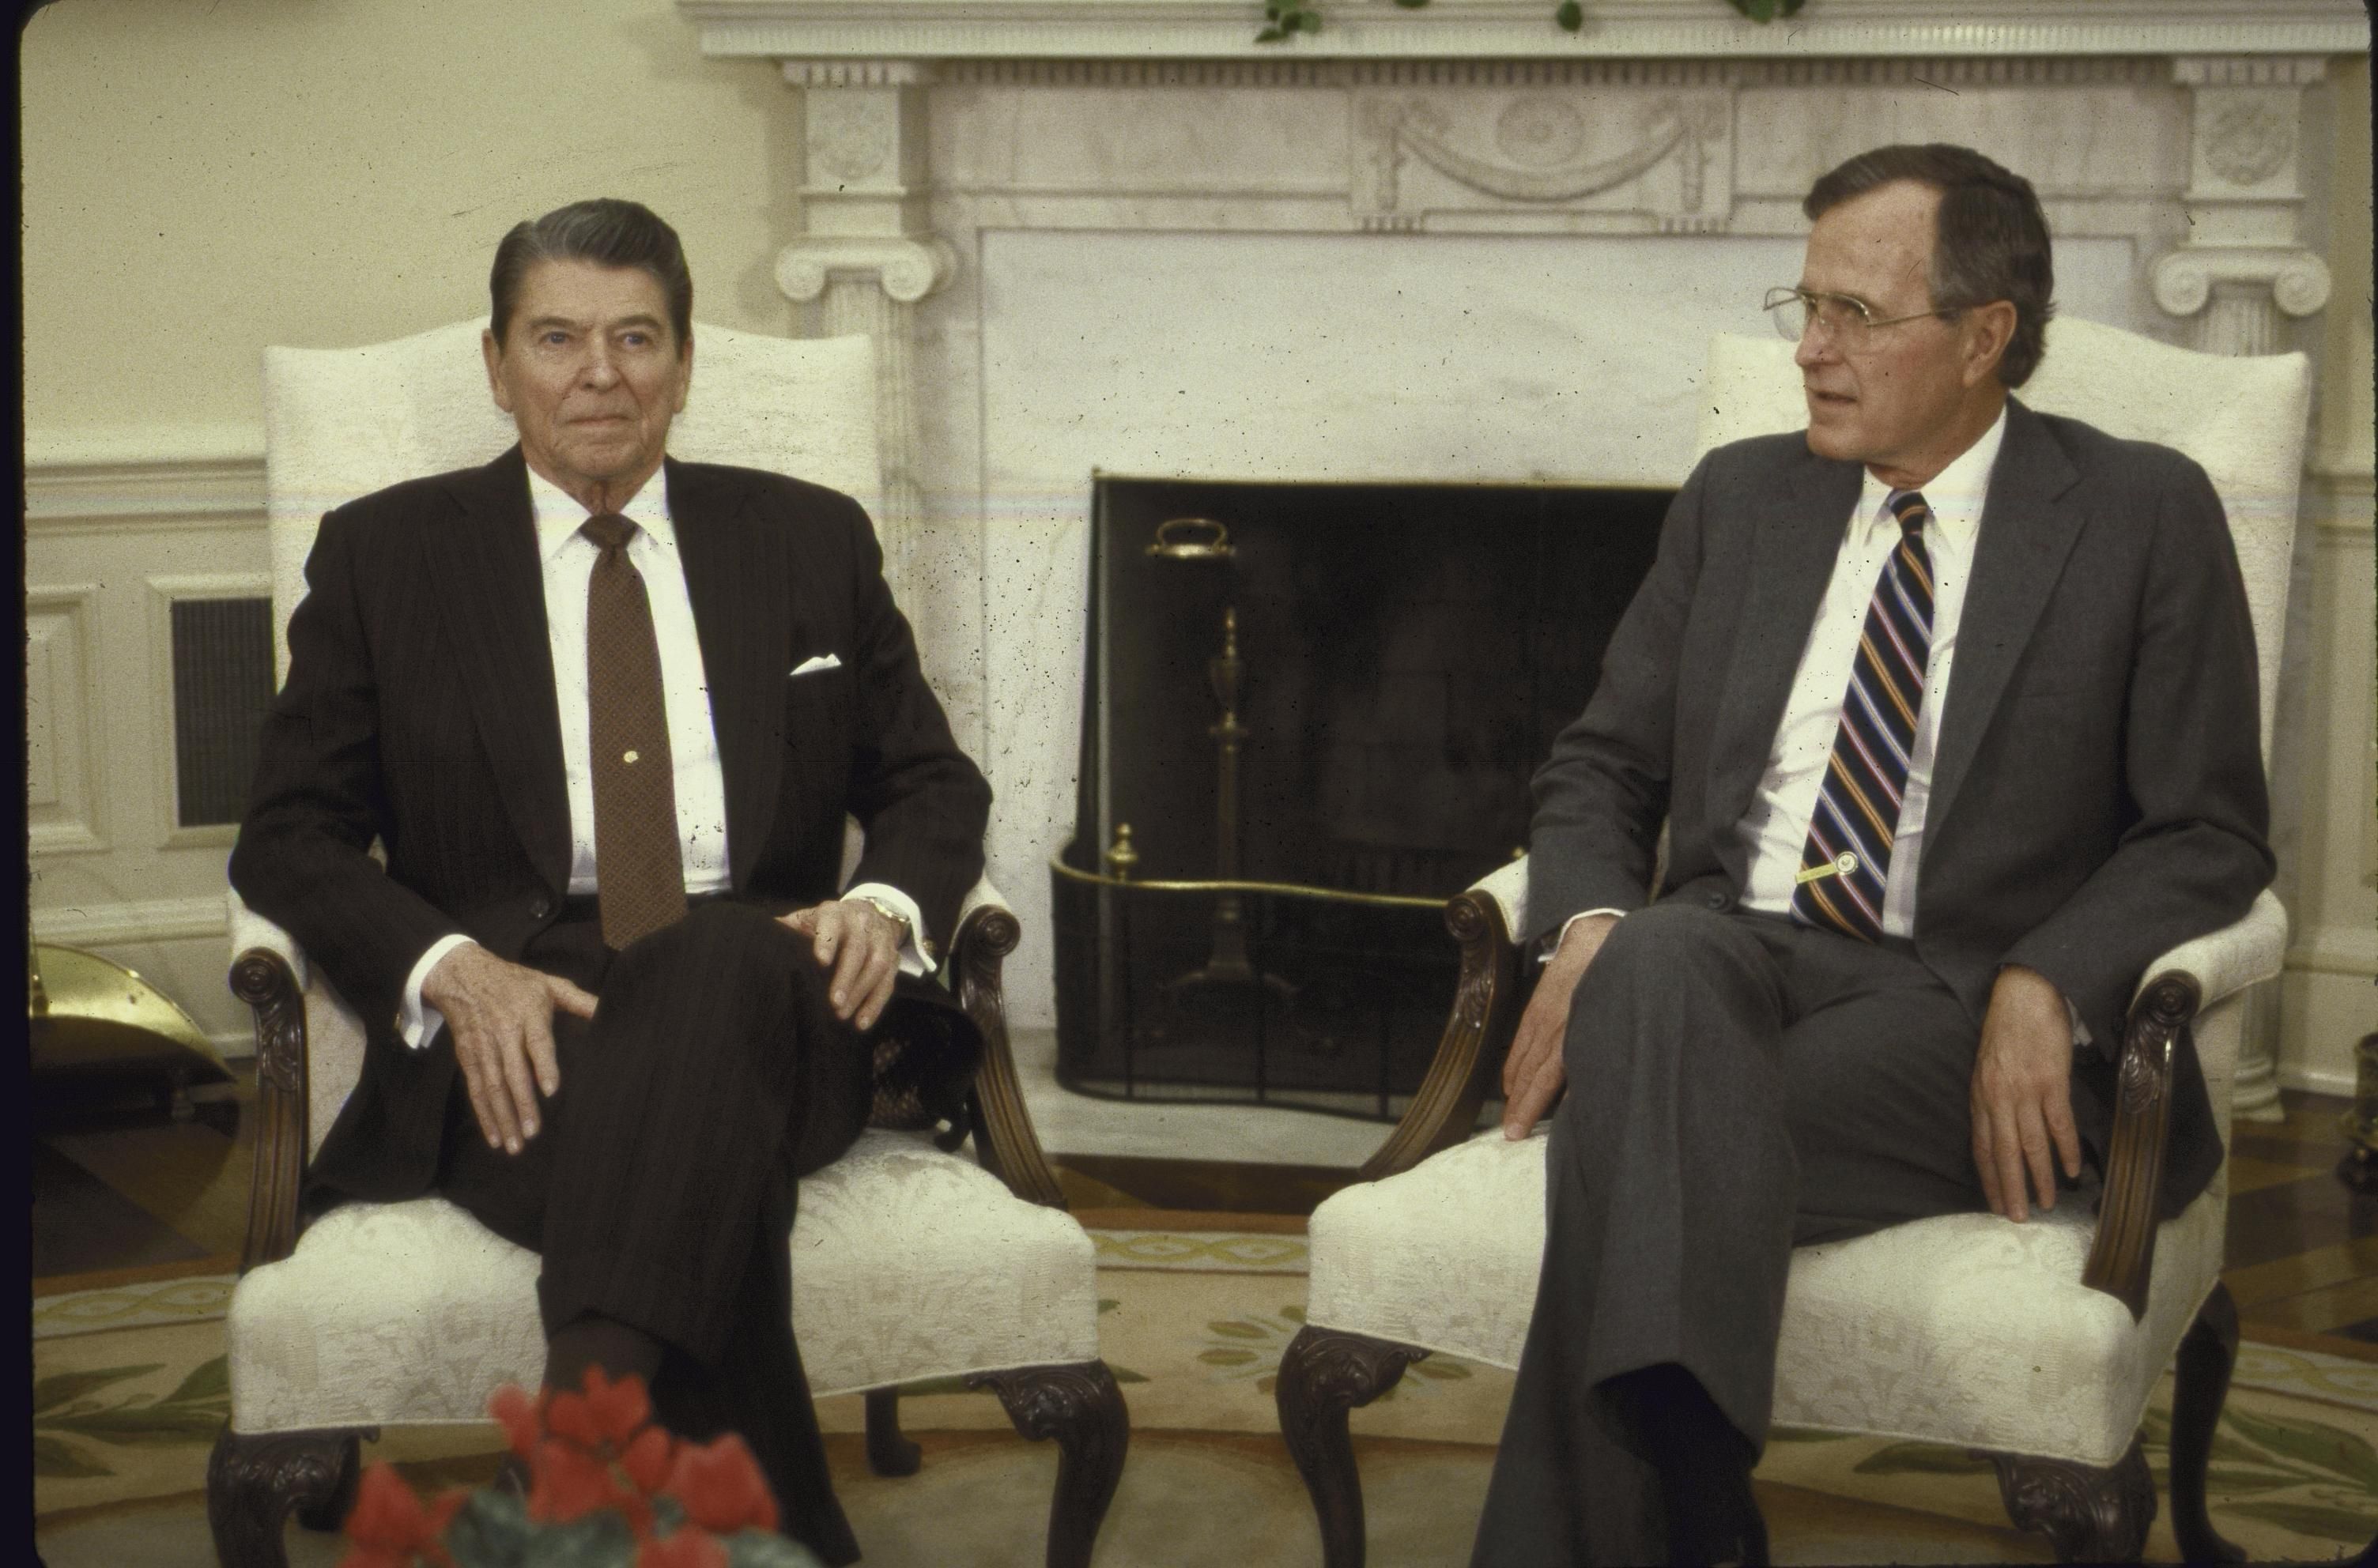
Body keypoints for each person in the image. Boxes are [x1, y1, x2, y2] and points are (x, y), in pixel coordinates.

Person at [1470, 145, 2272, 1566]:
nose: (1812, 350)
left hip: (1949, 999)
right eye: (1806, 305)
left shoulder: (2144, 512)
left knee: (1636, 1130)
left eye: (1856, 315)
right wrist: (1587, 925)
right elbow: (1603, 764)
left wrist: (2051, 974)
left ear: (1984, 337)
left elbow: (2207, 828)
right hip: (1724, 956)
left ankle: (1689, 1496)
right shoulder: (1741, 497)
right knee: (1651, 960)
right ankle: (1705, 1499)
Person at [230, 198, 992, 1566]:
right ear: (497, 361)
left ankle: (582, 1445)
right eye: (560, 338)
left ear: (684, 364)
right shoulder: (387, 555)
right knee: (702, 1185)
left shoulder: (810, 539)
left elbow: (934, 785)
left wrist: (882, 907)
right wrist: (451, 972)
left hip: (772, 997)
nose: (602, 373)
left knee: (714, 956)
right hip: (520, 1034)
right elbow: (288, 830)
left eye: (637, 337)